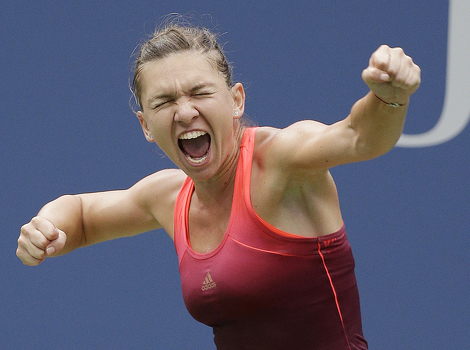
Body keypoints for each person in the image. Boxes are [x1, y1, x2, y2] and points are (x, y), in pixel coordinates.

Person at [17, 20, 421, 350]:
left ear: (236, 101)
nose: (184, 111)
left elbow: (359, 136)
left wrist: (390, 97)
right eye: (163, 102)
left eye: (199, 92)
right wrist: (48, 225)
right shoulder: (167, 196)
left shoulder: (283, 159)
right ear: (146, 127)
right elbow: (82, 216)